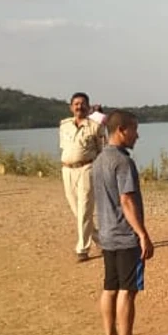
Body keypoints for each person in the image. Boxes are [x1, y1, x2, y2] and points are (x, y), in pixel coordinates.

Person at [92, 110, 154, 335]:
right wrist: (142, 234)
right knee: (128, 289)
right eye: (134, 130)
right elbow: (126, 200)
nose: (137, 135)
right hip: (125, 235)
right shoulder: (123, 162)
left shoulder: (98, 160)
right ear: (121, 130)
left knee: (110, 287)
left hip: (107, 234)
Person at [59, 92, 106, 262]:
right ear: (71, 107)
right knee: (77, 211)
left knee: (85, 209)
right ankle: (102, 241)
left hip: (87, 168)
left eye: (83, 103)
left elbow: (103, 146)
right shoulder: (64, 125)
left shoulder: (94, 125)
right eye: (76, 104)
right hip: (67, 170)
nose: (79, 107)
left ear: (88, 106)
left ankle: (82, 249)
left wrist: (99, 114)